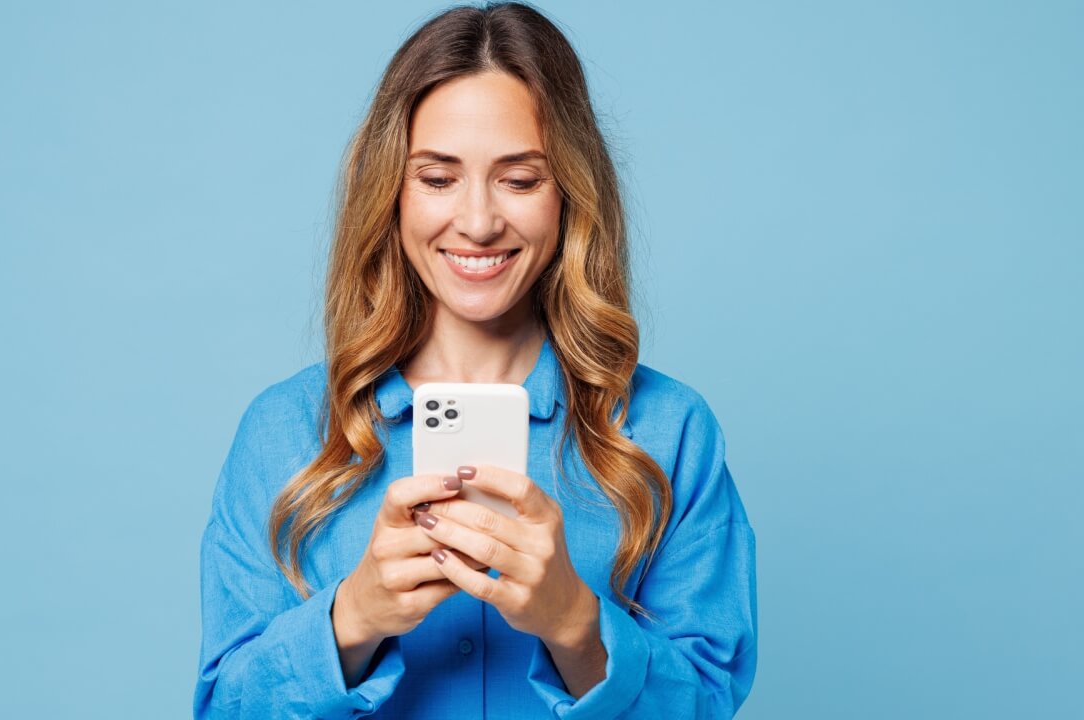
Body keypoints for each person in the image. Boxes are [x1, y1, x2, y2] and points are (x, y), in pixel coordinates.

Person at [193, 3, 757, 718]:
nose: (480, 220)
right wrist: (353, 619)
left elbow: (708, 704)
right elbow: (224, 708)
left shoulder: (668, 431)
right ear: (390, 194)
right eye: (437, 178)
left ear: (570, 196)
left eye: (520, 180)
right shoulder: (285, 433)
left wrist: (576, 626)